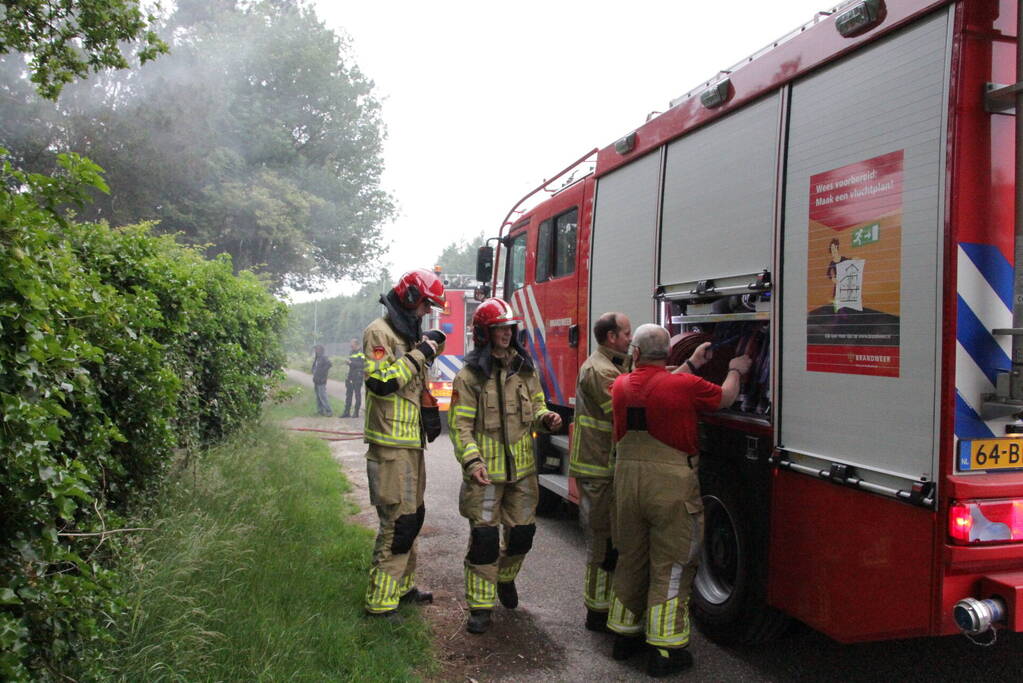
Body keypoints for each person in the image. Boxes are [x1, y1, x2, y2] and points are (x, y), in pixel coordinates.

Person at [606, 324, 750, 677]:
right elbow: (726, 398)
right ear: (668, 355)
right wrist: (736, 369)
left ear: (635, 354)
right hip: (670, 487)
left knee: (632, 558)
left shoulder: (621, 386)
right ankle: (666, 649)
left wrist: (693, 364)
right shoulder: (684, 387)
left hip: (627, 484)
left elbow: (656, 385)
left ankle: (624, 636)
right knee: (671, 564)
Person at [448, 297, 563, 634]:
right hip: (485, 476)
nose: (506, 333)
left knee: (522, 536)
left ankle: (505, 578)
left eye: (509, 328)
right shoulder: (469, 376)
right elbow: (460, 427)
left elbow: (537, 409)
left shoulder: (525, 370)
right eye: (499, 328)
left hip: (523, 474)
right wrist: (472, 461)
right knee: (484, 541)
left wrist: (547, 418)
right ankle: (480, 608)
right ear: (485, 332)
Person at [362, 269, 447, 619]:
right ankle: (380, 605)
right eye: (426, 304)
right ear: (411, 297)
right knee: (397, 523)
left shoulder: (407, 334)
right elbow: (381, 382)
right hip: (389, 448)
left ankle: (401, 589)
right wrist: (420, 354)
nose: (427, 311)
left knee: (413, 517)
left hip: (410, 446)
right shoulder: (378, 334)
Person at [568, 312, 632, 633]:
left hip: (607, 467)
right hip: (597, 469)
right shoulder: (598, 370)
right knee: (600, 542)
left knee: (611, 539)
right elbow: (623, 406)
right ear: (611, 337)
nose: (630, 338)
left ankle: (603, 608)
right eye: (626, 333)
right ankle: (596, 613)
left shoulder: (615, 364)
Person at [341, 338, 366, 418]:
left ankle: (356, 412)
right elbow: (351, 363)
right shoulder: (351, 352)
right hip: (350, 375)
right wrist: (348, 363)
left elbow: (362, 365)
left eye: (352, 344)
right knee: (348, 394)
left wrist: (351, 363)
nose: (350, 345)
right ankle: (346, 412)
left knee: (357, 394)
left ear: (357, 344)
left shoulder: (361, 352)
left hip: (358, 375)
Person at [312, 344, 333, 417]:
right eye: (315, 349)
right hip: (316, 380)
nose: (315, 350)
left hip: (321, 380)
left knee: (323, 396)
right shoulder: (317, 358)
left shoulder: (324, 357)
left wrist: (322, 372)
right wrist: (313, 371)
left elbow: (330, 364)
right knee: (318, 396)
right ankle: (320, 411)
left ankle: (329, 411)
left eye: (316, 349)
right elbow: (314, 367)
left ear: (320, 350)